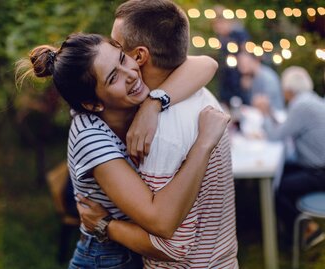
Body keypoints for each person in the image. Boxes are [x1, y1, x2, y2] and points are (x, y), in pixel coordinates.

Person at [17, 29, 227, 269]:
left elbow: (206, 64)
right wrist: (204, 144)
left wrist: (153, 103)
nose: (131, 74)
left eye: (121, 58)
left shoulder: (134, 91)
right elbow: (161, 222)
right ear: (92, 104)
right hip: (108, 259)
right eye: (112, 78)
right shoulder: (90, 138)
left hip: (138, 250)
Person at [77, 1, 238, 268]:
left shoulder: (160, 134)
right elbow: (205, 63)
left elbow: (173, 244)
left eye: (117, 48)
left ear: (138, 57)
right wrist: (153, 102)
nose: (109, 48)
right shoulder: (198, 94)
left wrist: (105, 224)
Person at [254, 66, 325, 248]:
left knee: (276, 189)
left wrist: (263, 113)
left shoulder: (301, 106)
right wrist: (269, 113)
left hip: (319, 172)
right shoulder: (309, 101)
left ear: (288, 91)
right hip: (316, 166)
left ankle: (308, 230)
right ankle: (292, 230)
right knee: (282, 171)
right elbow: (285, 129)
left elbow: (275, 136)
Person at [212, 4, 250, 106]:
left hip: (237, 75)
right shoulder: (222, 37)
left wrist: (246, 75)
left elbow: (245, 53)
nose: (217, 27)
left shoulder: (238, 34)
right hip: (226, 75)